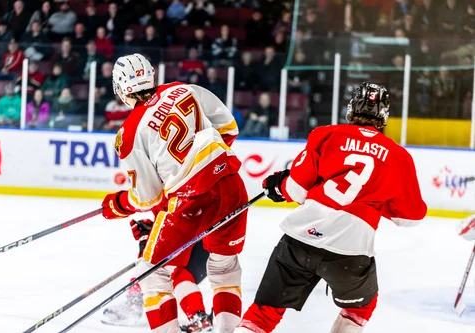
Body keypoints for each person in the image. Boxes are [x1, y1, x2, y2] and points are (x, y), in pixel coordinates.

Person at [234, 82, 427, 333]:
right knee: (360, 309)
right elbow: (411, 217)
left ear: (351, 107)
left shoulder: (326, 134)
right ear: (384, 114)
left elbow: (296, 190)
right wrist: (377, 200)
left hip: (300, 238)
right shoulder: (399, 156)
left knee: (263, 313)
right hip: (350, 250)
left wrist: (280, 184)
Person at [101, 53, 246, 333]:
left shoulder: (129, 134)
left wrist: (117, 204)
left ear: (119, 87)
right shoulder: (184, 89)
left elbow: (147, 197)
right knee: (225, 268)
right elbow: (228, 128)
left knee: (150, 272)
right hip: (230, 185)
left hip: (191, 201)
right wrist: (207, 162)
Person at [101, 218, 213, 332]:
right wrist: (150, 232)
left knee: (163, 270)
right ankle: (199, 317)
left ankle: (199, 317)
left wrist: (119, 205)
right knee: (158, 267)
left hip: (203, 239)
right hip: (198, 238)